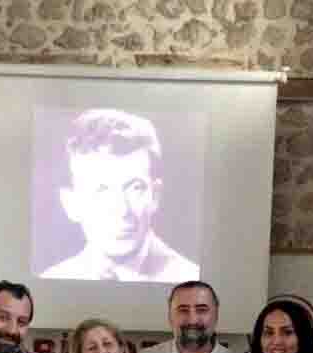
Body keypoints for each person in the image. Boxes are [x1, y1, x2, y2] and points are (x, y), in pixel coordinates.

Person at [40, 109, 199, 283]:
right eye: (101, 190)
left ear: (155, 196)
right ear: (70, 204)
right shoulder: (51, 279)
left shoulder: (190, 280)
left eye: (135, 188)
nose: (122, 210)